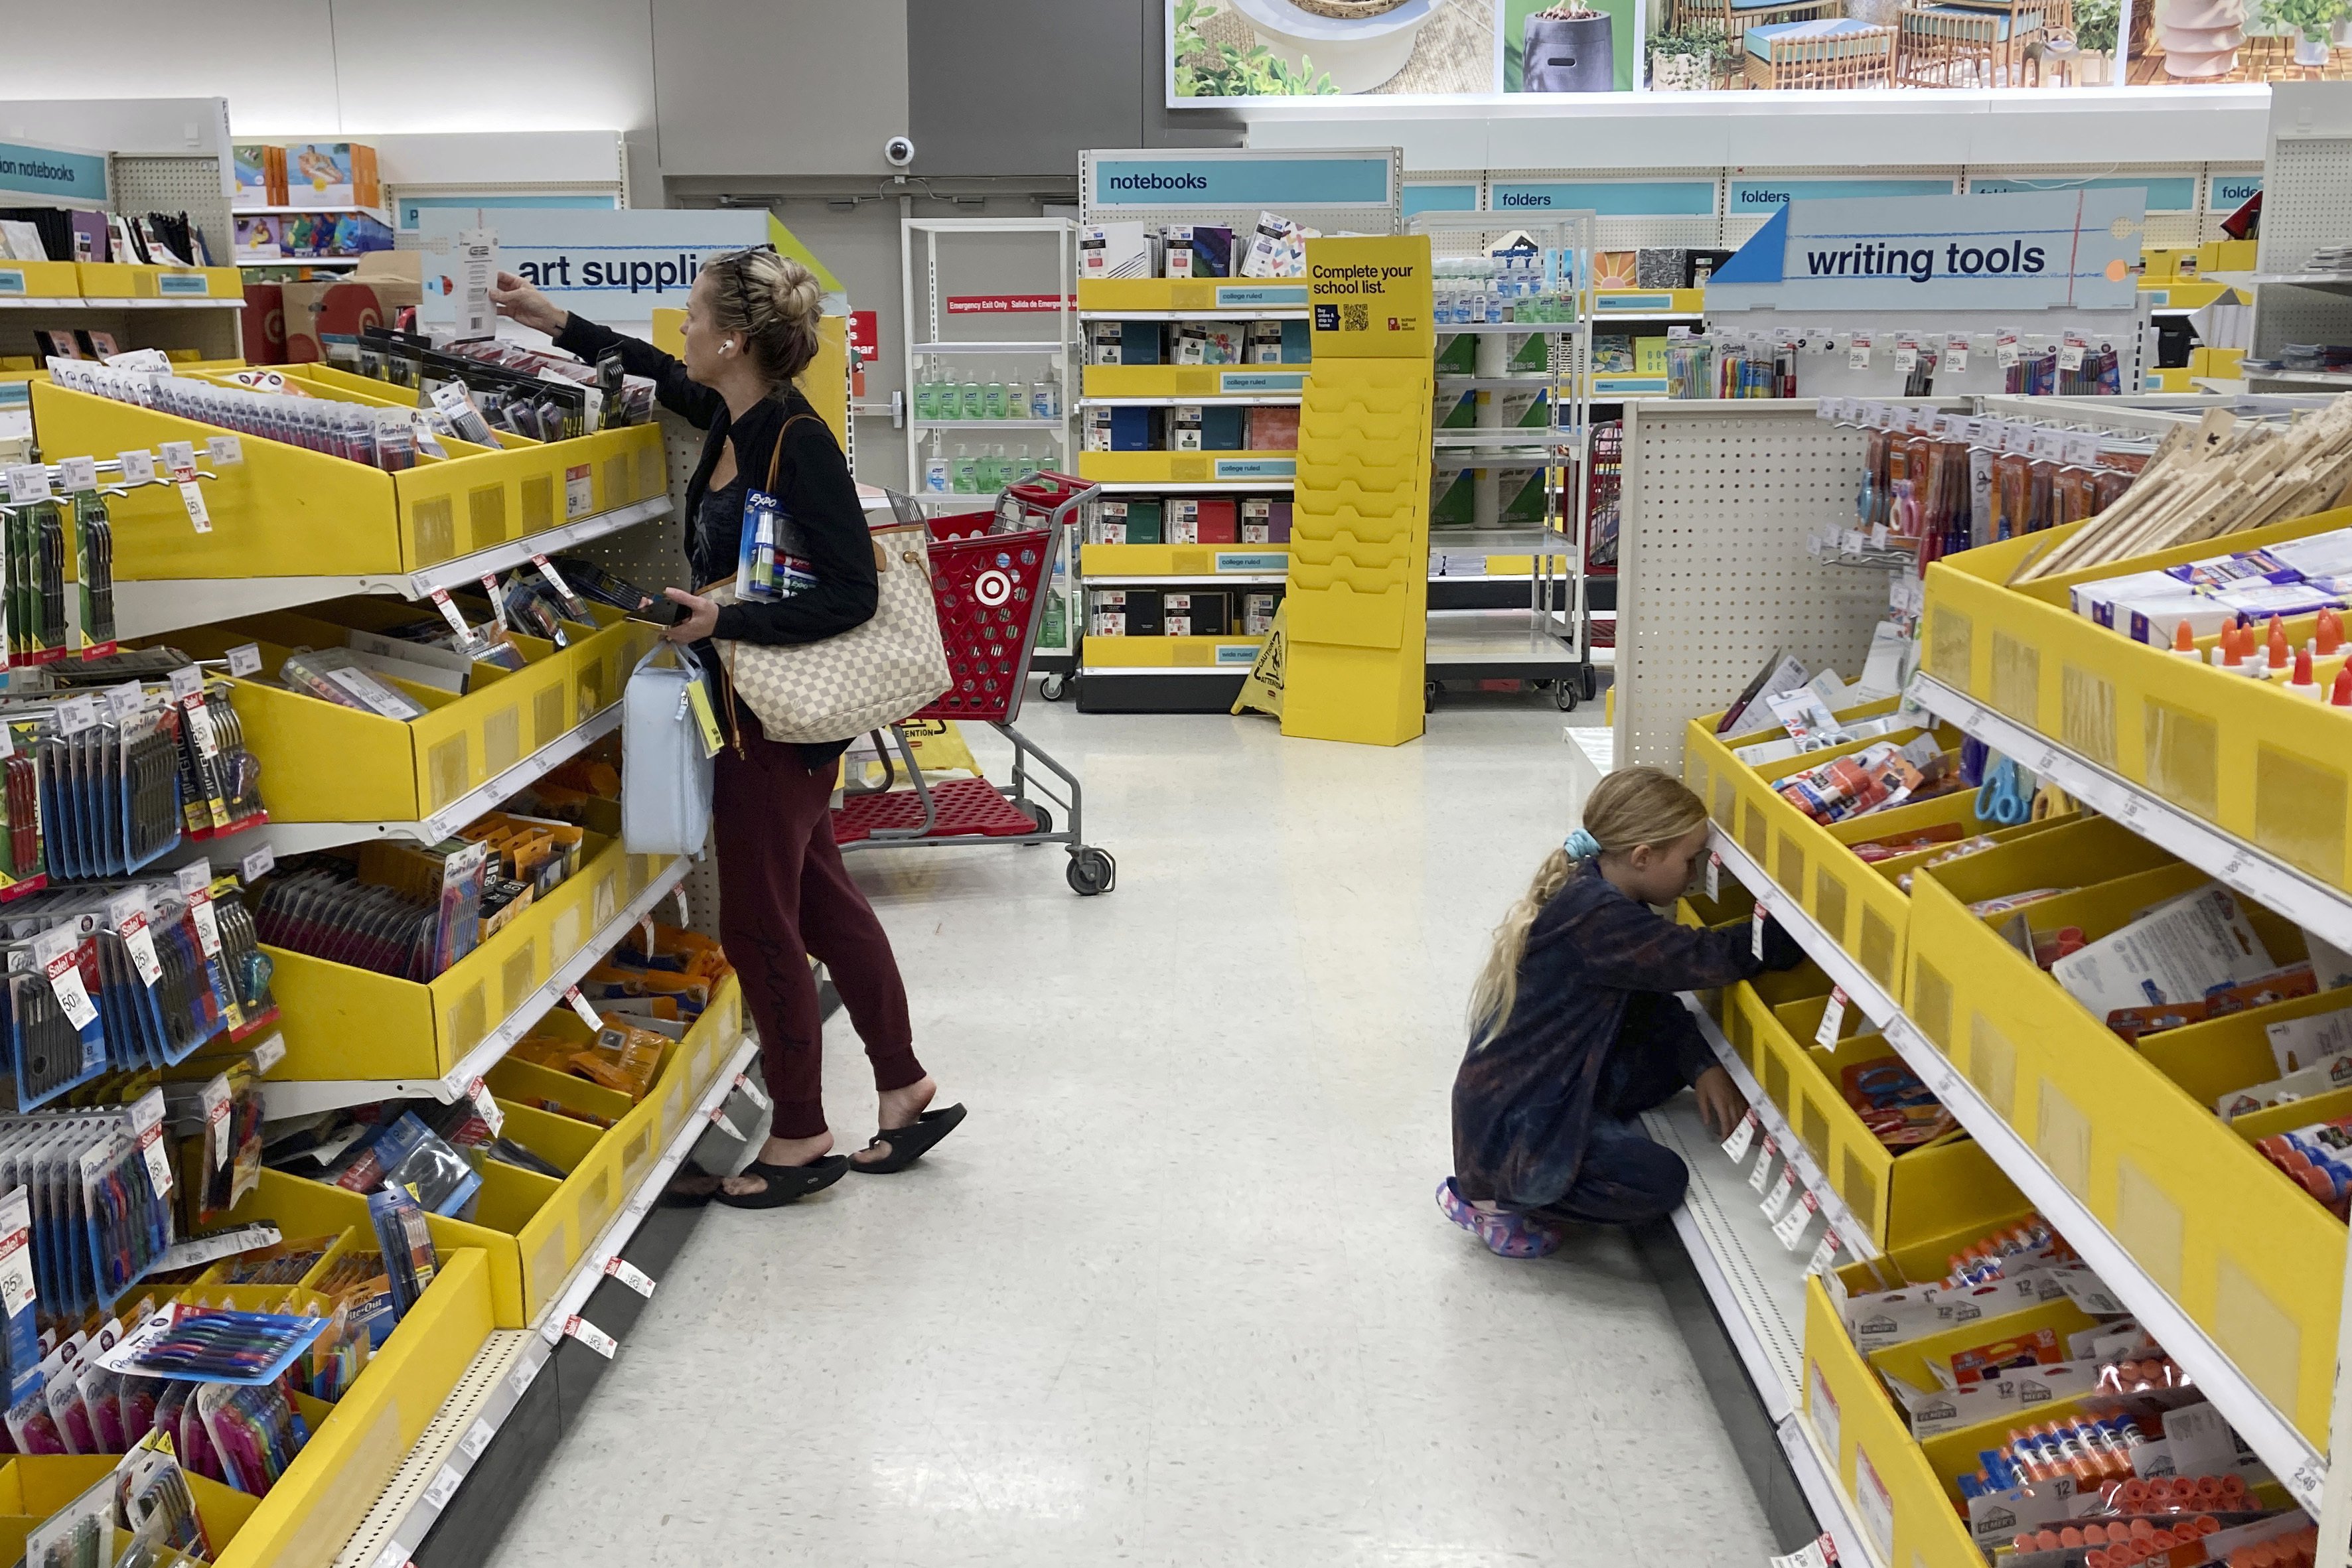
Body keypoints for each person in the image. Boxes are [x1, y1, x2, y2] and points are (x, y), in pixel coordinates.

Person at [489, 249, 964, 1210]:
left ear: (735, 340)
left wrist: (725, 620)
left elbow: (852, 592)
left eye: (697, 317)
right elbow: (657, 369)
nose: (684, 331)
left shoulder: (797, 439)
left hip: (776, 723)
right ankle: (903, 1083)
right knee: (823, 902)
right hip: (755, 709)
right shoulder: (731, 415)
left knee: (757, 925)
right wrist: (554, 323)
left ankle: (800, 1132)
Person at [1441, 766, 1803, 1258]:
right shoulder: (1601, 919)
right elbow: (1704, 956)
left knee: (1666, 1058)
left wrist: (1702, 1066)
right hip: (1514, 1131)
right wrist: (1798, 932)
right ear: (1642, 857)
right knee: (1659, 1181)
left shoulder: (1591, 888)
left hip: (1528, 1092)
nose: (1694, 876)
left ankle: (1541, 1157)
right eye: (1690, 861)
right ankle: (1494, 1200)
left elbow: (1648, 999)